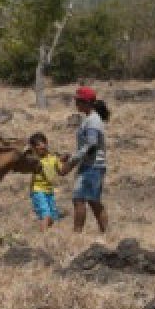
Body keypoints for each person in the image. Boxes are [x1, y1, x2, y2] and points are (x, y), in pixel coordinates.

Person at [63, 86, 109, 234]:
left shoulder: (93, 121)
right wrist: (72, 156)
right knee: (93, 201)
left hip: (92, 166)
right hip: (91, 164)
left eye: (78, 100)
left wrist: (72, 161)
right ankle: (106, 233)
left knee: (80, 199)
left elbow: (91, 146)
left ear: (85, 102)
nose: (76, 103)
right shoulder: (89, 119)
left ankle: (77, 234)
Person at [27, 132, 64, 231]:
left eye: (41, 145)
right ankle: (43, 237)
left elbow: (61, 171)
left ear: (46, 143)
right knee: (46, 215)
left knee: (52, 218)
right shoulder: (35, 160)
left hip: (49, 191)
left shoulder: (53, 158)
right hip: (38, 191)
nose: (40, 148)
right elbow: (32, 173)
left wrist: (69, 161)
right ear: (34, 149)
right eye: (36, 147)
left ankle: (43, 232)